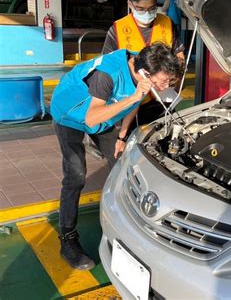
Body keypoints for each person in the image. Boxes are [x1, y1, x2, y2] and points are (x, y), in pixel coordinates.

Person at [50, 42, 182, 270]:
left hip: (106, 114)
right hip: (70, 114)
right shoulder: (107, 75)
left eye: (170, 82)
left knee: (123, 169)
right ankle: (67, 238)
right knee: (76, 175)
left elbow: (134, 105)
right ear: (145, 75)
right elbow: (92, 119)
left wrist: (121, 136)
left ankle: (124, 230)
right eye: (164, 82)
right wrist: (134, 96)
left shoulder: (142, 70)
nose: (166, 86)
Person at [102, 0, 185, 126]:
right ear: (130, 5)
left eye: (152, 8)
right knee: (131, 142)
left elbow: (179, 57)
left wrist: (173, 82)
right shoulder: (118, 29)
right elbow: (107, 67)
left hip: (163, 99)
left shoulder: (167, 24)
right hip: (131, 101)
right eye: (141, 9)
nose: (147, 13)